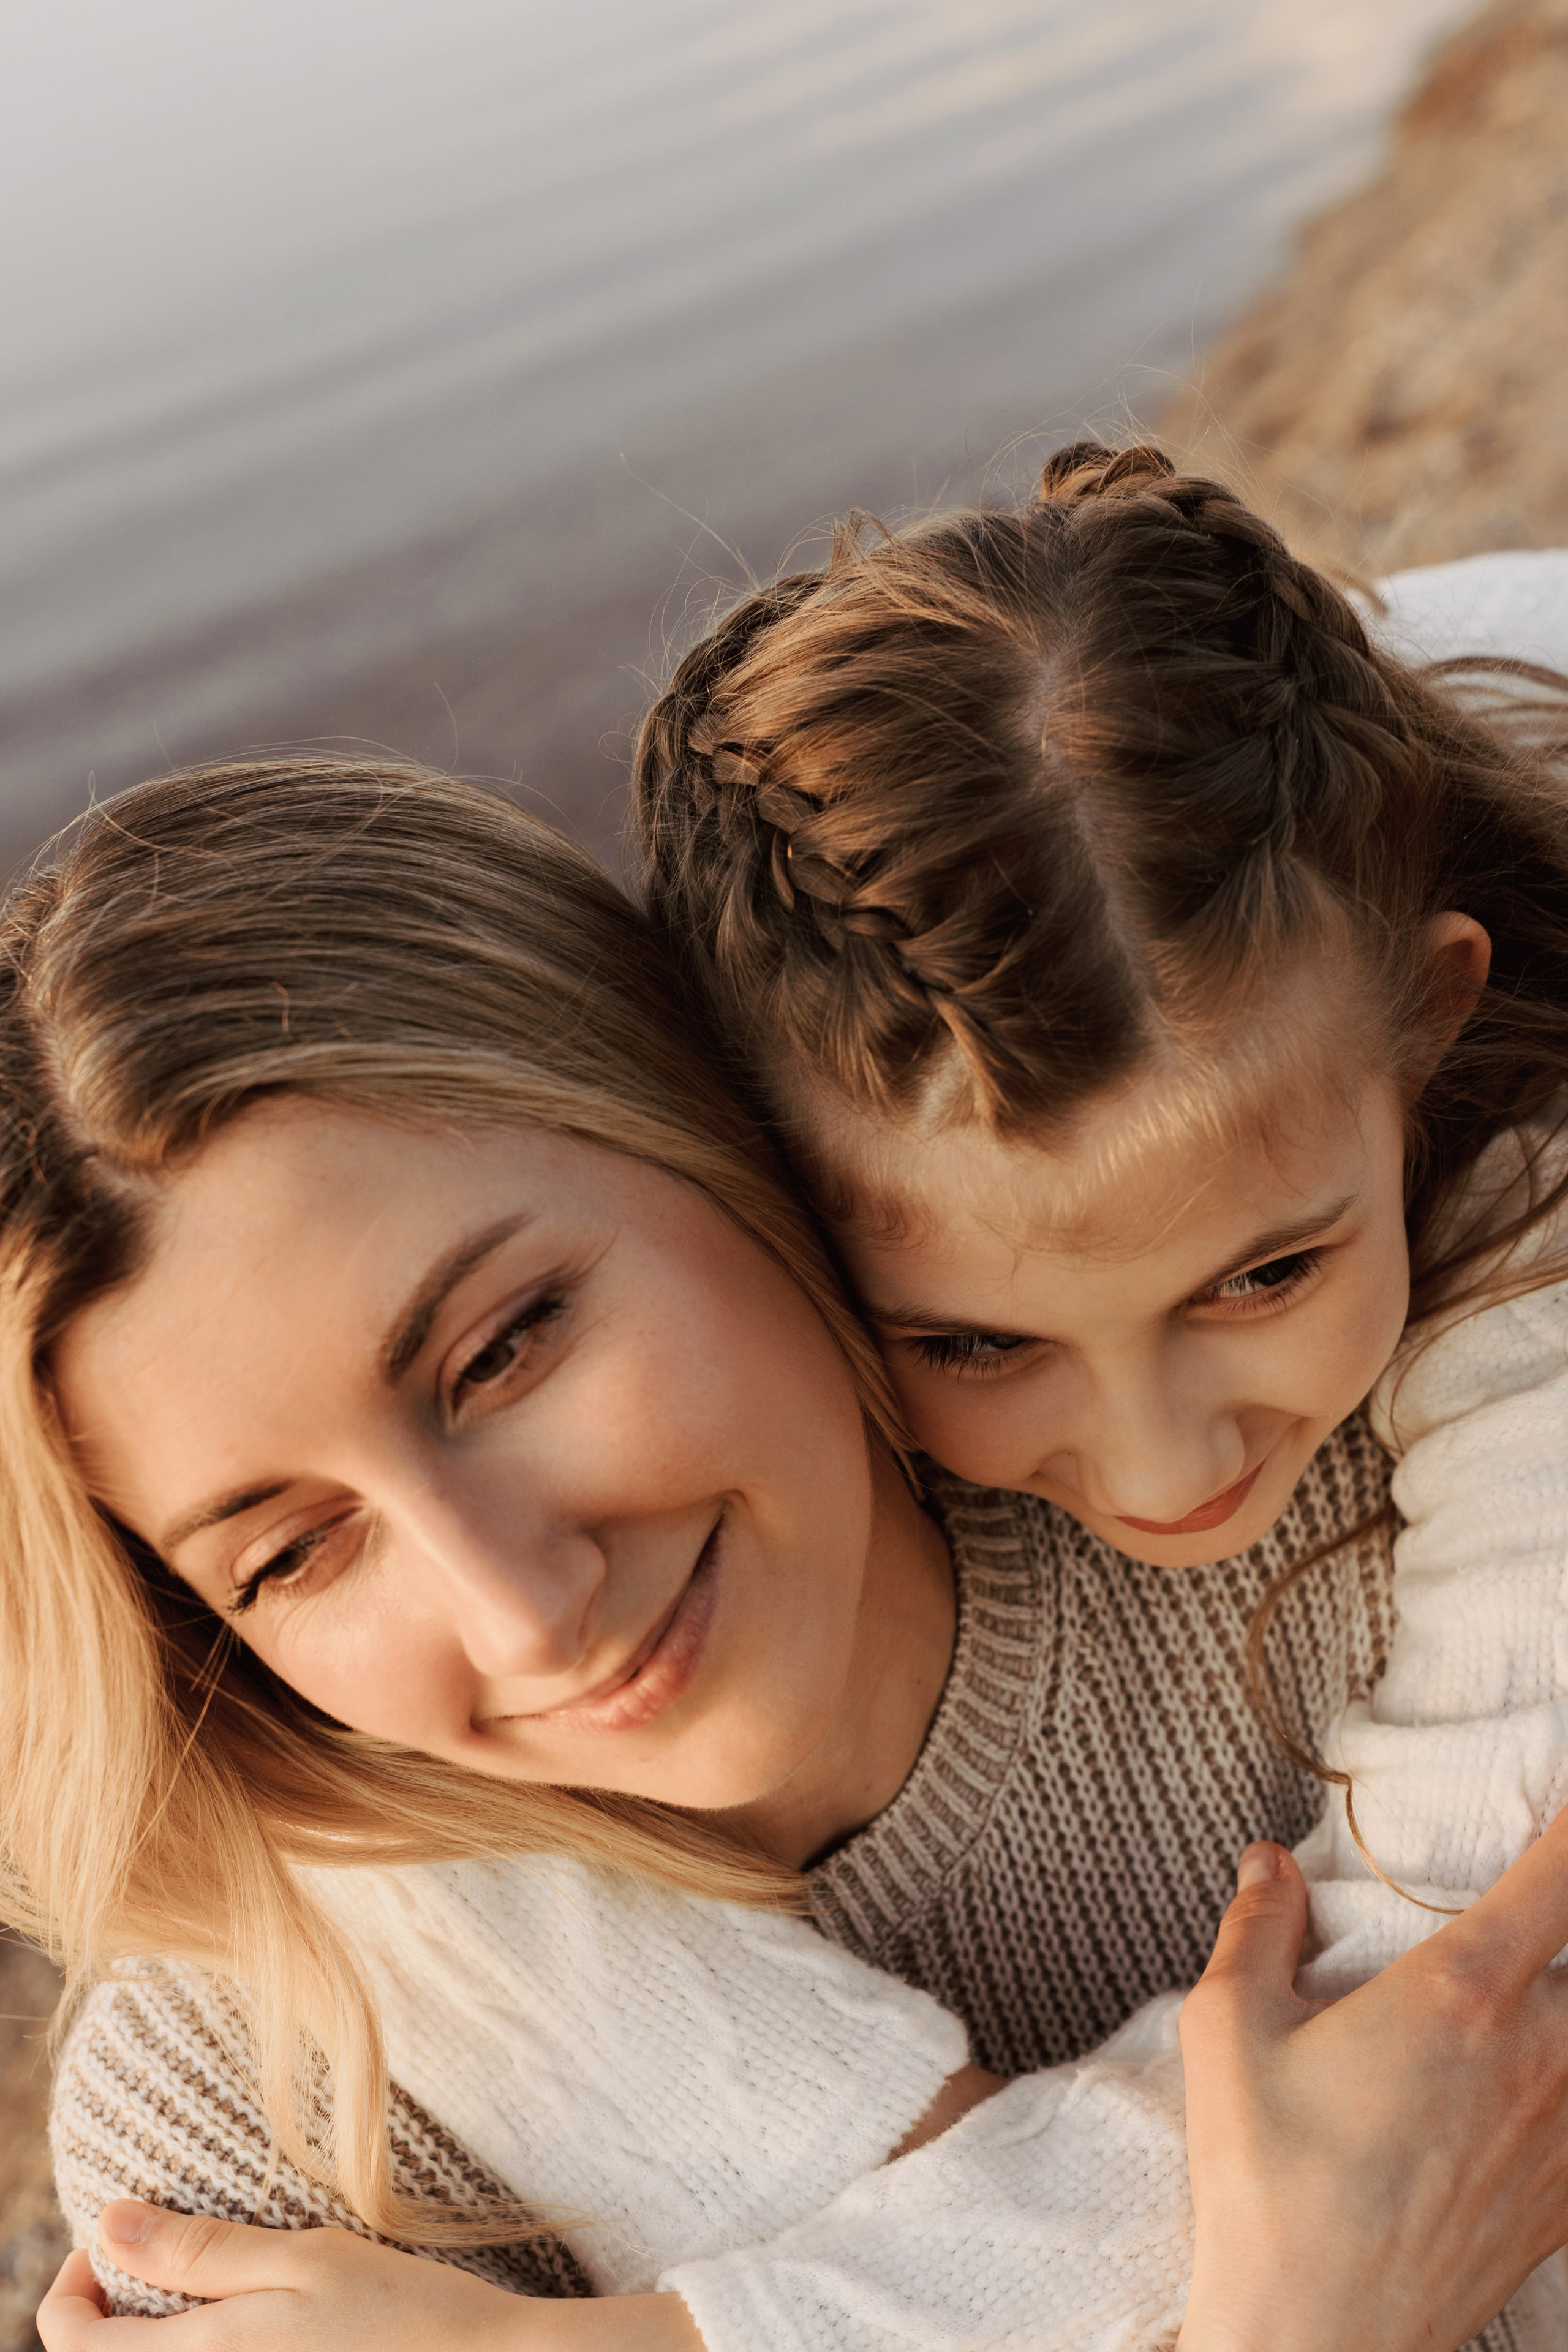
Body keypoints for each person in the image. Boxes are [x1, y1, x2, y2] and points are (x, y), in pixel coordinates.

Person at [9, 760, 1562, 2352]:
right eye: (288, 1556)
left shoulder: (1390, 1476)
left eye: (506, 1352)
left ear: (712, 1124)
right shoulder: (241, 2107)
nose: (527, 1610)